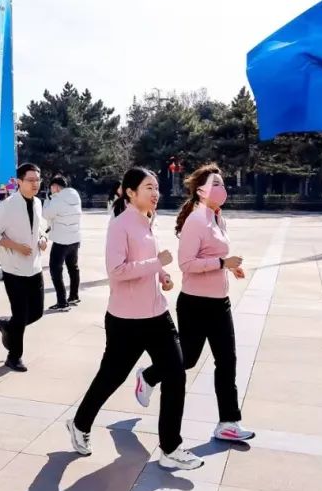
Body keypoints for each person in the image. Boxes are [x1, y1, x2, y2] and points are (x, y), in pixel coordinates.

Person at [66, 167, 203, 471]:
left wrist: (162, 274)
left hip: (157, 315)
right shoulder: (120, 225)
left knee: (176, 374)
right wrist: (157, 263)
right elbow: (117, 271)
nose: (156, 193)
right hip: (127, 320)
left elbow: (148, 263)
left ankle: (170, 448)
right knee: (111, 377)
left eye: (156, 187)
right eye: (148, 188)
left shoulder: (148, 220)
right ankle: (79, 423)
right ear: (130, 192)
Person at [136, 164, 254, 442]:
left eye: (222, 184)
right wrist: (222, 263)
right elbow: (186, 264)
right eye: (216, 184)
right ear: (201, 191)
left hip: (220, 303)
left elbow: (214, 256)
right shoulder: (196, 221)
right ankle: (149, 376)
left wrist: (230, 267)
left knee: (227, 361)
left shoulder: (218, 218)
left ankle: (228, 422)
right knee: (187, 359)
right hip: (196, 304)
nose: (222, 189)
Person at [0, 163, 48, 373]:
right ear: (19, 181)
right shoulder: (8, 205)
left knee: (36, 313)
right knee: (20, 315)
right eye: (30, 180)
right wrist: (15, 246)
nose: (35, 184)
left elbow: (40, 228)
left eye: (38, 180)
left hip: (35, 268)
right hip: (14, 270)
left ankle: (7, 326)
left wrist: (43, 239)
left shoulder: (37, 202)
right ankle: (14, 357)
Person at [44, 175, 83, 310]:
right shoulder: (75, 195)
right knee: (73, 268)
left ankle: (62, 302)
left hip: (61, 240)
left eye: (51, 188)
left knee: (55, 270)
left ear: (55, 187)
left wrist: (47, 200)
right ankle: (74, 296)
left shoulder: (57, 199)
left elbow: (46, 214)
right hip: (75, 238)